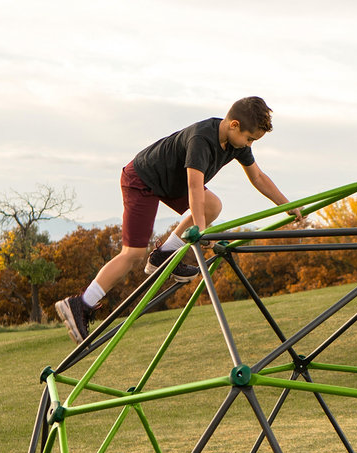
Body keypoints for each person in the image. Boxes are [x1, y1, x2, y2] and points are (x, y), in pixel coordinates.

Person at [55, 96, 302, 344]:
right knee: (132, 253)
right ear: (234, 125)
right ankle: (81, 303)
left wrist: (287, 205)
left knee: (213, 205)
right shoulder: (201, 140)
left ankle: (163, 254)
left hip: (171, 183)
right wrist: (201, 231)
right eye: (249, 138)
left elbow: (258, 177)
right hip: (142, 180)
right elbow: (195, 187)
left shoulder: (237, 144)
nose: (249, 144)